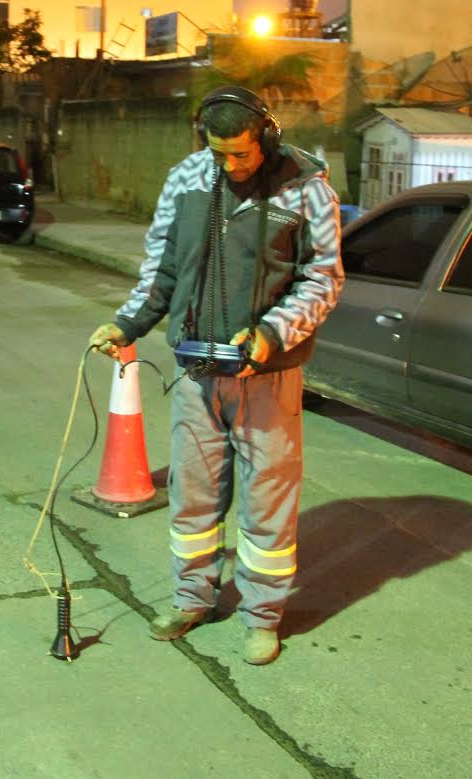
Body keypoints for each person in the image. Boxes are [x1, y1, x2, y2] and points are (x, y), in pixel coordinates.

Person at [89, 85, 344, 665]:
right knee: (193, 498)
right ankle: (192, 600)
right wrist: (128, 323)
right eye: (218, 152)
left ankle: (262, 617)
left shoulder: (306, 189)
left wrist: (270, 334)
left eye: (241, 155)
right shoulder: (187, 179)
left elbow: (323, 278)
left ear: (267, 138)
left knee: (266, 502)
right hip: (197, 375)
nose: (229, 165)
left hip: (268, 377)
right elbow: (162, 267)